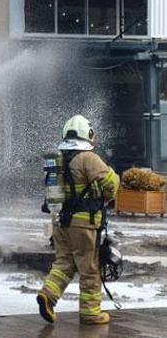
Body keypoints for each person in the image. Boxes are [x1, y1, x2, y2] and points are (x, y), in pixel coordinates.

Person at [37, 115, 120, 325]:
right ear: (88, 134)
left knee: (64, 262)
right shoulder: (88, 158)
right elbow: (112, 184)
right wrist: (105, 195)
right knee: (89, 268)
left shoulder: (58, 159)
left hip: (60, 222)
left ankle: (48, 295)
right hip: (84, 224)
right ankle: (91, 313)